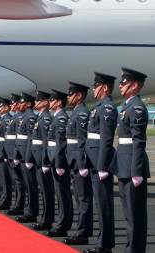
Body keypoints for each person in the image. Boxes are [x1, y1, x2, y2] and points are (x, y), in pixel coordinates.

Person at [116, 67, 150, 253]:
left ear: (134, 85)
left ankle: (135, 250)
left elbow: (138, 141)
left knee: (135, 214)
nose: (120, 85)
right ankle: (131, 248)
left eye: (124, 82)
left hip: (132, 166)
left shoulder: (136, 107)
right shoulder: (127, 106)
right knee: (128, 213)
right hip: (124, 164)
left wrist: (136, 170)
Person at [83, 72, 118, 253]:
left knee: (104, 205)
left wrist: (103, 165)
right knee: (99, 204)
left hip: (100, 162)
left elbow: (106, 138)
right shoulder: (99, 106)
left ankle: (105, 246)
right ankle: (102, 243)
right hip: (94, 160)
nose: (94, 89)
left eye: (96, 86)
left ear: (104, 87)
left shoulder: (108, 108)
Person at [63, 82, 93, 246]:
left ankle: (83, 233)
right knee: (79, 197)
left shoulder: (81, 113)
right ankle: (81, 230)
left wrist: (82, 164)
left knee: (83, 198)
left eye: (71, 94)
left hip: (79, 161)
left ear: (79, 96)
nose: (68, 97)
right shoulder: (75, 112)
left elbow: (82, 141)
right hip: (73, 159)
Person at [46, 89, 73, 237]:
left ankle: (63, 224)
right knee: (60, 193)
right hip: (54, 159)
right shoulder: (57, 117)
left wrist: (59, 163)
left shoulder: (61, 117)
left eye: (52, 100)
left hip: (59, 161)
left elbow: (61, 143)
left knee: (63, 194)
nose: (50, 102)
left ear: (58, 102)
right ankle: (61, 222)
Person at [26, 91, 55, 231]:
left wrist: (45, 162)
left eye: (38, 100)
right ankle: (44, 218)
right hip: (37, 160)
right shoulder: (40, 117)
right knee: (43, 191)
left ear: (44, 102)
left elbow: (45, 143)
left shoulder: (46, 118)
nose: (35, 103)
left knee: (46, 192)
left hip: (42, 161)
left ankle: (47, 220)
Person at [15, 92, 38, 223]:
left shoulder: (29, 117)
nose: (20, 104)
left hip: (27, 156)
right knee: (28, 185)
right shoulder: (24, 116)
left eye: (23, 102)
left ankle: (32, 212)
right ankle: (29, 210)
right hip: (23, 155)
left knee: (31, 186)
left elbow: (30, 138)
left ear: (29, 104)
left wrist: (28, 158)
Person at [6, 94, 25, 216]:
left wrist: (15, 155)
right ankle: (17, 204)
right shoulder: (15, 117)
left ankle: (19, 205)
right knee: (16, 181)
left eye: (13, 103)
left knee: (19, 181)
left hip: (16, 154)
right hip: (12, 153)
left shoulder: (20, 117)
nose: (11, 105)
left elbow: (19, 140)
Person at [0, 97, 12, 210]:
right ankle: (4, 199)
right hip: (0, 152)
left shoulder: (7, 120)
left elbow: (7, 139)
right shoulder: (2, 119)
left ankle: (6, 201)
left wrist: (5, 154)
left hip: (4, 153)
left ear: (6, 107)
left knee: (6, 179)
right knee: (2, 178)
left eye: (1, 106)